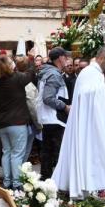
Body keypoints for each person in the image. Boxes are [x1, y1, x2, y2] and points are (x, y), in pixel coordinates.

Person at [53, 45, 105, 198]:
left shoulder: (96, 74)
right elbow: (88, 97)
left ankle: (93, 186)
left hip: (93, 121)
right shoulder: (90, 73)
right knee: (86, 152)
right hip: (88, 123)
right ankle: (85, 187)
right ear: (102, 58)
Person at [0, 54, 37, 188]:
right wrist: (31, 59)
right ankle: (16, 184)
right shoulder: (18, 78)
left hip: (2, 123)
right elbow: (31, 74)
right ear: (8, 66)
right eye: (11, 62)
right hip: (18, 122)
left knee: (7, 152)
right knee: (17, 154)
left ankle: (7, 181)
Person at [37, 48, 71, 180]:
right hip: (55, 119)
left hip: (48, 118)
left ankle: (46, 182)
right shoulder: (54, 74)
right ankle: (58, 182)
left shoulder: (47, 72)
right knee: (57, 153)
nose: (67, 61)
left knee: (47, 153)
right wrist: (65, 107)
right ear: (60, 58)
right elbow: (48, 98)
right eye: (66, 58)